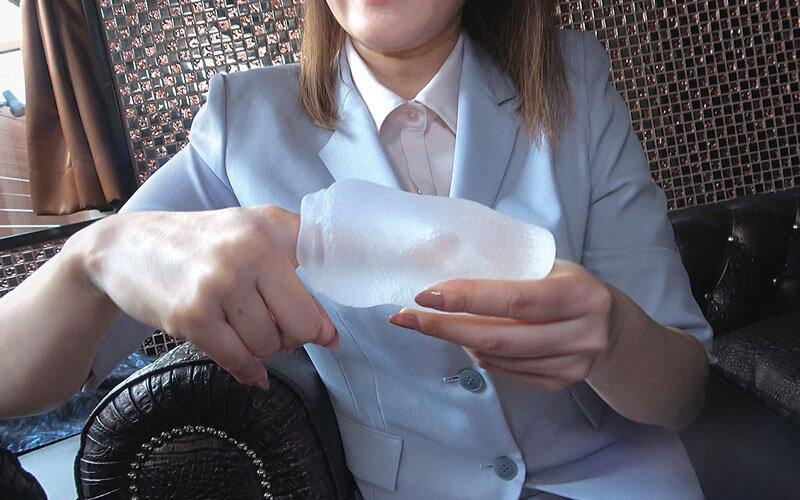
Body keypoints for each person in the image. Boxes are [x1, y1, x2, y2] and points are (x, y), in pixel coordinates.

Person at [0, 1, 714, 498]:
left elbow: (683, 394)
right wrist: (96, 256)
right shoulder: (244, 125)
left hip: (618, 479)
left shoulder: (574, 79)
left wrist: (614, 335)